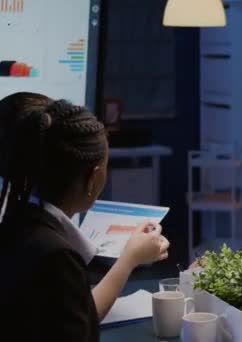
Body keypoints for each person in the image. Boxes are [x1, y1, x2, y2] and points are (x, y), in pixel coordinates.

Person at [0, 92, 170, 341]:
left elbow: (75, 316)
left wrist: (128, 259)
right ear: (92, 178)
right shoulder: (56, 257)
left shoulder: (17, 225)